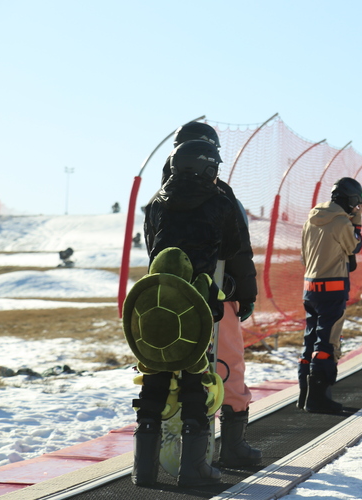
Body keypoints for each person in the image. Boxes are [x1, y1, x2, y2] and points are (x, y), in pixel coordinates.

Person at [132, 139, 249, 488]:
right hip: (199, 302)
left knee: (154, 378)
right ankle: (194, 469)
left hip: (156, 305)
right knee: (195, 381)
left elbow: (152, 244)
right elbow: (234, 249)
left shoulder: (156, 203)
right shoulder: (220, 202)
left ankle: (145, 469)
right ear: (209, 168)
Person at [160, 121, 261, 469]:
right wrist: (245, 295)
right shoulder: (221, 196)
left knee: (172, 364)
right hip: (218, 295)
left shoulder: (161, 196)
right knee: (226, 364)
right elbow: (239, 251)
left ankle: (169, 444)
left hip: (167, 297)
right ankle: (232, 444)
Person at [298, 177, 362, 414]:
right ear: (351, 199)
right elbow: (355, 246)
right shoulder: (340, 223)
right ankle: (318, 398)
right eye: (358, 201)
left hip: (310, 288)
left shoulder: (311, 220)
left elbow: (304, 256)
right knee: (327, 341)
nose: (359, 206)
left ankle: (304, 394)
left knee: (310, 340)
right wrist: (357, 221)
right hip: (333, 288)